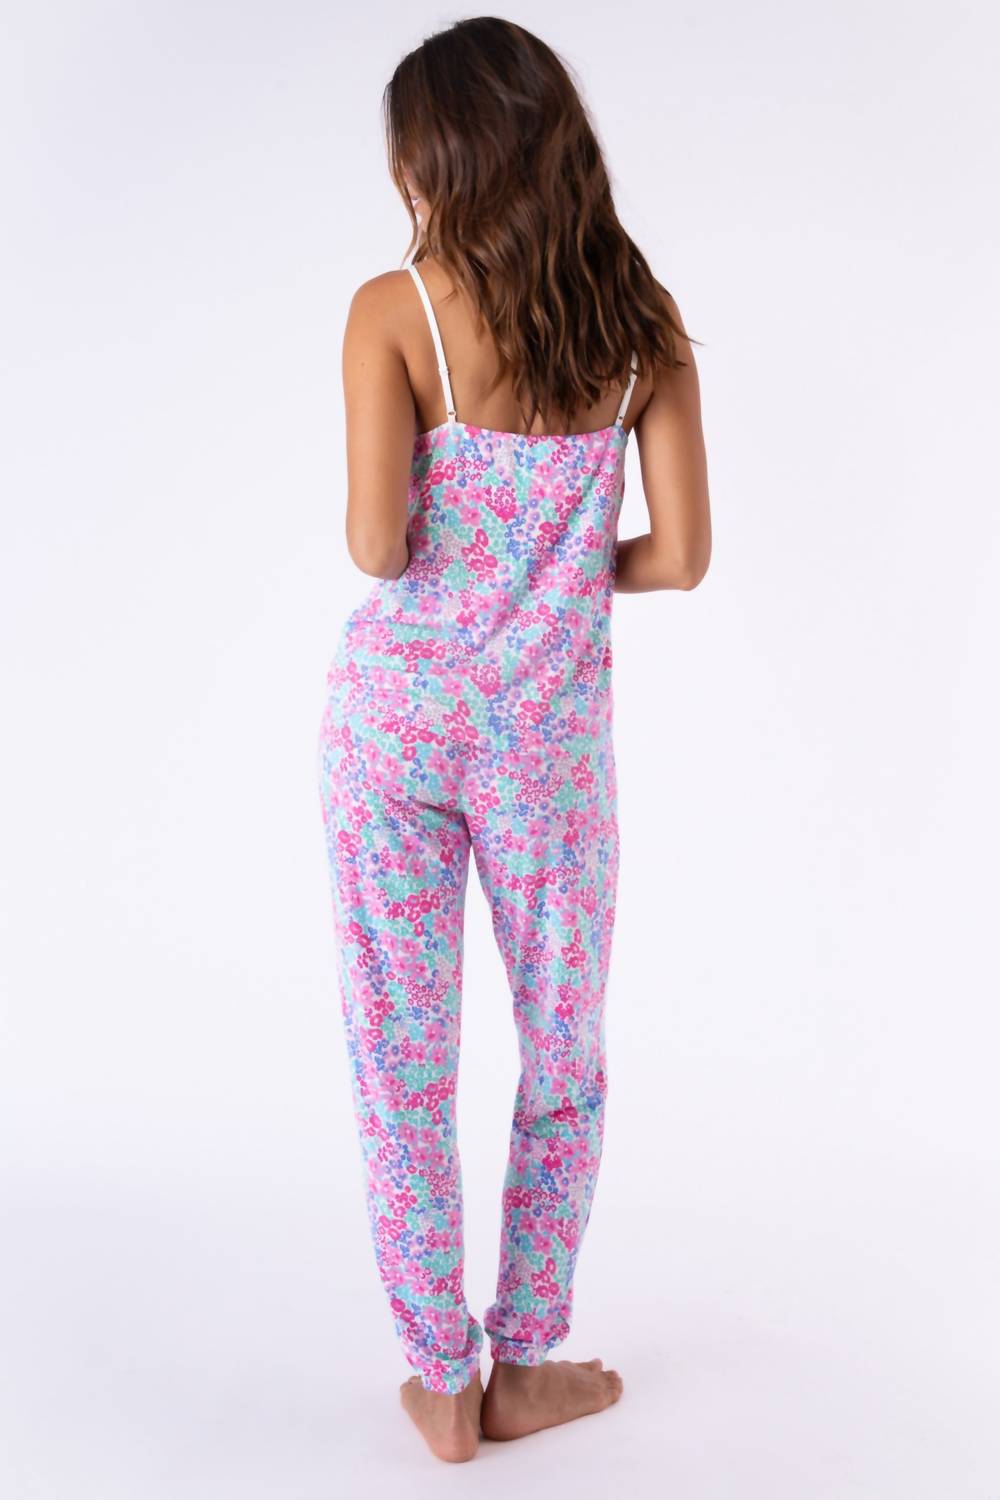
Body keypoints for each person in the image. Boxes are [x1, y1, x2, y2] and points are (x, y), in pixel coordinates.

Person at [316, 16, 711, 1463]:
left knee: (401, 1051)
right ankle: (524, 1361)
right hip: (548, 747)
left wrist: (467, 553)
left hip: (395, 731)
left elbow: (378, 547)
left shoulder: (394, 311)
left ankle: (440, 1377)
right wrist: (559, 572)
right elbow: (682, 557)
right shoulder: (642, 325)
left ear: (436, 161)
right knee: (565, 1051)